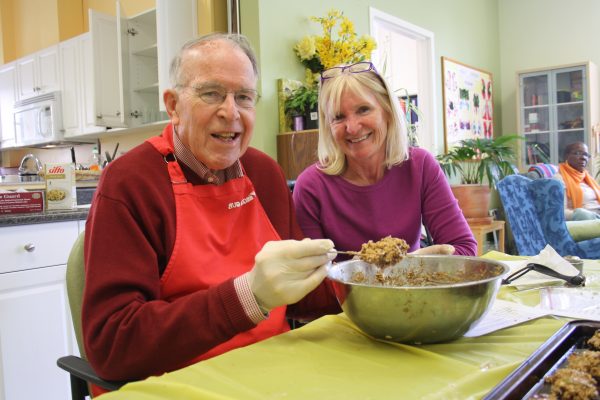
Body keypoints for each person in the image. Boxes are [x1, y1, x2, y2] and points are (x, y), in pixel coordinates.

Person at [82, 33, 341, 386]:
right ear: (173, 105)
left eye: (244, 97)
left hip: (272, 373)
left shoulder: (264, 173)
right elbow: (113, 344)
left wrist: (383, 279)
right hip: (176, 382)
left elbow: (299, 289)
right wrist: (250, 296)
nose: (230, 112)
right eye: (211, 94)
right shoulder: (129, 183)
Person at [293, 61, 477, 257]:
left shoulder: (420, 166)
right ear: (328, 126)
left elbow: (464, 249)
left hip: (414, 287)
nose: (353, 127)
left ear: (387, 110)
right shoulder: (310, 187)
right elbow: (311, 276)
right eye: (338, 117)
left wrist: (408, 265)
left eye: (363, 109)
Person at [553, 141, 600, 220]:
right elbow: (560, 211)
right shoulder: (559, 179)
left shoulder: (588, 178)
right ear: (566, 157)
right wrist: (580, 214)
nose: (583, 158)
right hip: (589, 218)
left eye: (586, 155)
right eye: (578, 153)